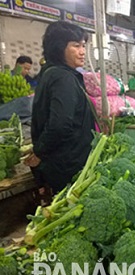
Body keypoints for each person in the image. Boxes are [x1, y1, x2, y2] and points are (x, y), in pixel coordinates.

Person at [25, 21, 96, 194]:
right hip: (68, 165)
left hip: (64, 162)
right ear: (59, 48)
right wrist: (39, 152)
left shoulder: (54, 73)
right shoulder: (62, 77)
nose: (82, 52)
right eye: (75, 46)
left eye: (83, 46)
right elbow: (60, 124)